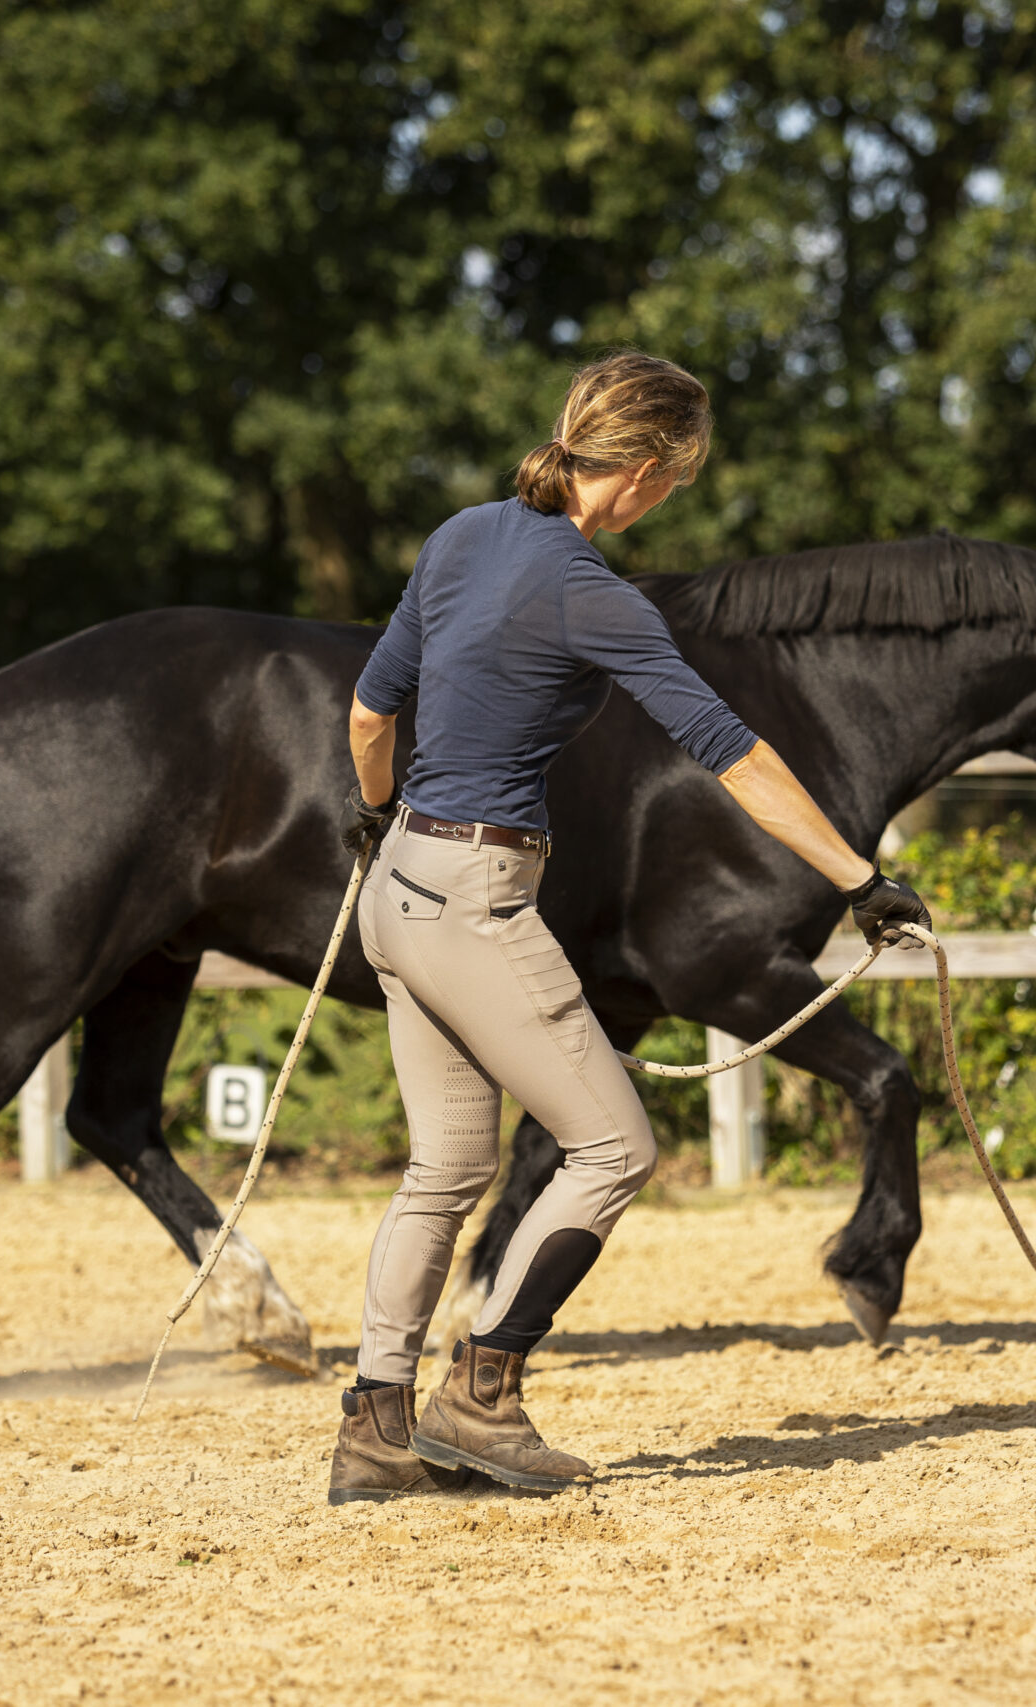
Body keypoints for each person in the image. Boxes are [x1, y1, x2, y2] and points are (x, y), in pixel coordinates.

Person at [327, 351, 933, 1503]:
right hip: (476, 895)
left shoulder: (459, 536)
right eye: (677, 485)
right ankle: (481, 1396)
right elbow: (734, 755)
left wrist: (371, 817)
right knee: (614, 1149)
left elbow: (368, 709)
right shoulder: (593, 591)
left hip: (396, 883)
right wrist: (860, 878)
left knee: (444, 1168)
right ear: (648, 470)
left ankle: (374, 1427)